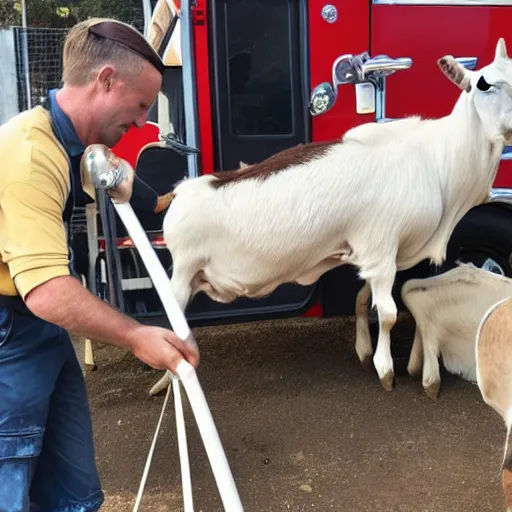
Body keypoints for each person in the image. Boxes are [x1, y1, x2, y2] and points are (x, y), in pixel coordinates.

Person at [0, 17, 199, 512]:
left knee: (75, 495)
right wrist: (136, 335)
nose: (142, 120)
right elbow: (47, 290)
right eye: (141, 105)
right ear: (105, 80)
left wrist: (190, 197)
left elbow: (135, 192)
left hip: (42, 327)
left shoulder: (77, 146)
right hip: (10, 330)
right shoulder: (30, 155)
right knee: (12, 482)